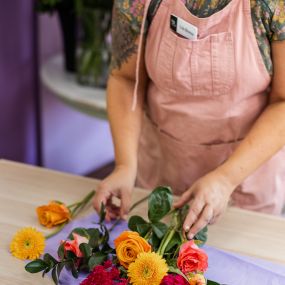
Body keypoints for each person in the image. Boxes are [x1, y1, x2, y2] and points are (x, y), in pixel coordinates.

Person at [93, 0, 285, 239]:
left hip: (244, 183)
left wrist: (226, 179)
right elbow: (125, 78)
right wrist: (124, 166)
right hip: (160, 173)